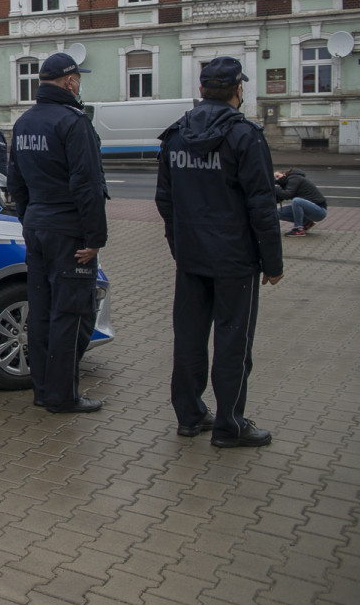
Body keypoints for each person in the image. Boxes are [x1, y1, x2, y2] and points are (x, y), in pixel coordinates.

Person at [155, 56, 283, 448]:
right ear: (238, 90)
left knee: (189, 337)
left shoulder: (176, 135)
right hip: (234, 259)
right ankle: (229, 425)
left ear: (202, 89)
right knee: (233, 340)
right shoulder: (246, 136)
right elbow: (261, 204)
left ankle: (190, 416)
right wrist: (272, 262)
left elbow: (165, 200)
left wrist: (180, 246)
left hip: (192, 257)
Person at [7, 52, 107, 414]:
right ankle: (63, 396)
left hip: (37, 227)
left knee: (42, 311)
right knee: (71, 314)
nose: (79, 83)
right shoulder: (73, 123)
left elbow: (15, 183)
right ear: (69, 82)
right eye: (78, 78)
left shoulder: (24, 123)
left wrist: (29, 218)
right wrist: (95, 237)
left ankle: (43, 388)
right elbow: (87, 186)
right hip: (69, 232)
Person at [274, 168, 327, 236]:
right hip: (309, 211)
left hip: (319, 211)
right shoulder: (285, 184)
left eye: (278, 176)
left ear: (284, 174)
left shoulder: (294, 178)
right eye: (275, 178)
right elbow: (279, 199)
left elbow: (287, 194)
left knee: (296, 201)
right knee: (276, 213)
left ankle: (298, 229)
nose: (277, 179)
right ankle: (306, 223)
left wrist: (276, 188)